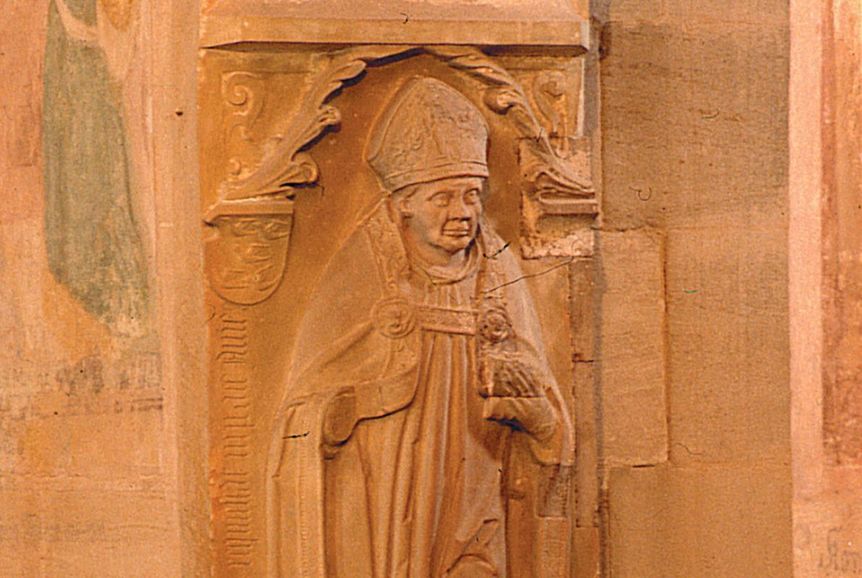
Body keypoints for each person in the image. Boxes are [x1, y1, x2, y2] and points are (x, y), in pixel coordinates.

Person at [267, 77, 574, 577]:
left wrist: (534, 411)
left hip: (476, 491)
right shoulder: (362, 273)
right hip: (385, 501)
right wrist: (340, 412)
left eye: (472, 196)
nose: (463, 213)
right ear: (403, 202)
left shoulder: (499, 273)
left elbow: (549, 420)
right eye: (444, 198)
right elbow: (304, 408)